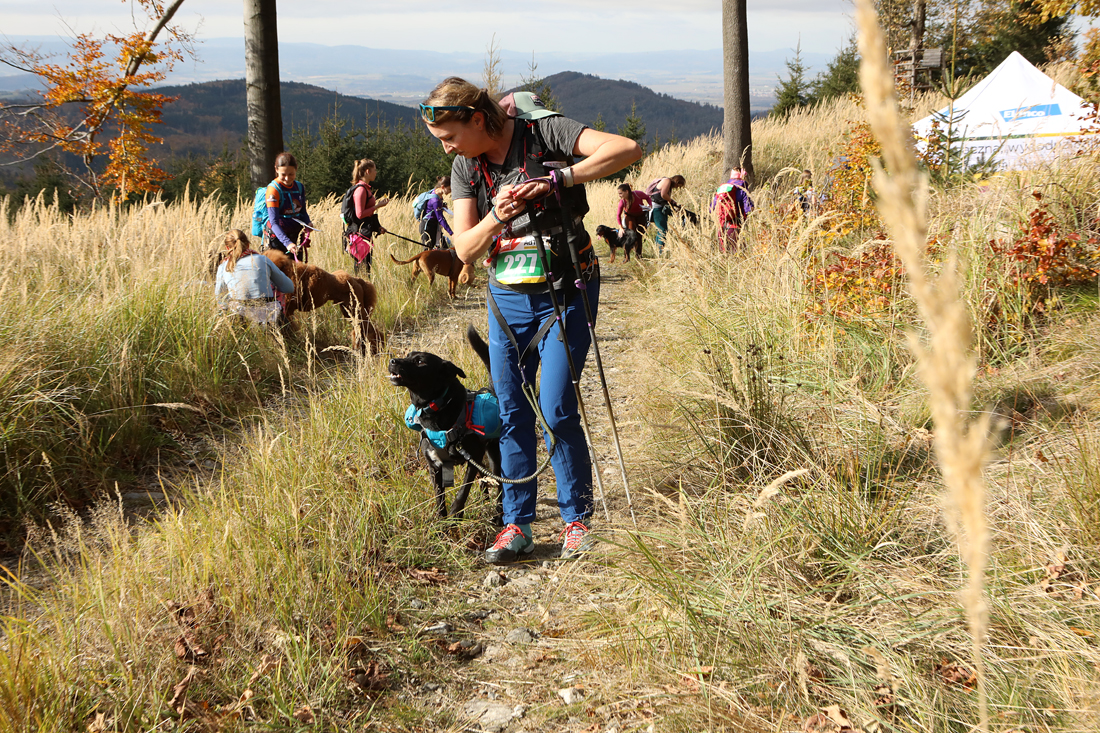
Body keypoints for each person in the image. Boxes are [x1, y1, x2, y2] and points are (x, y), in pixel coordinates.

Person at [420, 76, 642, 563]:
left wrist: (559, 180)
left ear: (478, 120)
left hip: (566, 290)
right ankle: (515, 525)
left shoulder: (544, 133)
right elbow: (465, 250)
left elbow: (626, 149)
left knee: (557, 408)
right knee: (513, 411)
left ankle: (576, 522)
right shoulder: (466, 167)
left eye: (450, 137)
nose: (447, 148)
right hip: (507, 301)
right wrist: (496, 216)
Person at [215, 229, 295, 325]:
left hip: (239, 319)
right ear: (248, 245)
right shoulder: (262, 259)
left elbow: (220, 299)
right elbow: (289, 287)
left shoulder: (223, 267)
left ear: (227, 248)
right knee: (290, 329)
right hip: (269, 318)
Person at [263, 152, 313, 262]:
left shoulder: (299, 187)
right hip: (277, 239)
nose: (287, 178)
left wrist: (308, 222)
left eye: (291, 174)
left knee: (297, 270)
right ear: (276, 170)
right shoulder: (273, 190)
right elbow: (274, 222)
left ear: (296, 169)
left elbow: (302, 211)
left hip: (295, 236)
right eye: (283, 174)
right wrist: (287, 243)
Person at [344, 158, 389, 275]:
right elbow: (360, 214)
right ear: (368, 171)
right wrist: (377, 206)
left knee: (366, 267)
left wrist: (377, 227)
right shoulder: (361, 190)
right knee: (362, 268)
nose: (376, 172)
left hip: (364, 234)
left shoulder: (365, 189)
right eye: (374, 170)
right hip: (360, 236)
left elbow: (366, 216)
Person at [711, 167, 754, 252]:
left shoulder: (722, 189)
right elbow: (748, 209)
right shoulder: (742, 189)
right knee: (737, 254)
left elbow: (711, 208)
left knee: (724, 254)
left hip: (721, 227)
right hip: (735, 227)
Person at [644, 174, 686, 253]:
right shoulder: (667, 181)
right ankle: (660, 251)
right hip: (657, 208)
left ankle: (657, 250)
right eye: (678, 185)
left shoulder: (667, 182)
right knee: (662, 230)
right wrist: (671, 201)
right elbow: (663, 194)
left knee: (661, 229)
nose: (677, 187)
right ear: (676, 181)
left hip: (659, 207)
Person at [418, 175, 453, 249]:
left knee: (444, 250)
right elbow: (440, 218)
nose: (450, 191)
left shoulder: (437, 193)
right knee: (428, 252)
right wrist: (451, 233)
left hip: (434, 225)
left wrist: (442, 206)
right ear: (443, 187)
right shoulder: (435, 200)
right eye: (449, 189)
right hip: (428, 227)